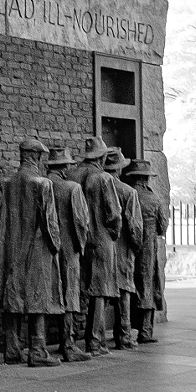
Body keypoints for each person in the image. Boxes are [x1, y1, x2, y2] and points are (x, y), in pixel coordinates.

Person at [0, 139, 62, 367]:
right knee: (37, 298)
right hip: (36, 249)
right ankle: (38, 351)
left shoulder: (6, 183)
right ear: (35, 156)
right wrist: (55, 247)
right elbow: (50, 222)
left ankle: (12, 350)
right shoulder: (42, 183)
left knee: (13, 297)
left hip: (10, 249)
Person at [68, 137, 125, 357]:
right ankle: (94, 342)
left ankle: (70, 340)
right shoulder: (103, 178)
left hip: (76, 241)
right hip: (101, 239)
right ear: (101, 157)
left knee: (73, 290)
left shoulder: (71, 175)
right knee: (99, 292)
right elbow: (114, 214)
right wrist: (113, 234)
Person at [44, 144, 92, 361]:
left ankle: (43, 343)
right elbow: (81, 222)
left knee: (50, 294)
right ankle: (68, 345)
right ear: (65, 168)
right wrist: (81, 247)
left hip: (46, 248)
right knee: (70, 294)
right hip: (69, 248)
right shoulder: (72, 188)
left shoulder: (42, 185)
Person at [121, 157, 167, 344]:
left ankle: (123, 331)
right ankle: (145, 331)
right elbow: (162, 228)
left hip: (127, 246)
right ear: (147, 178)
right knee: (147, 285)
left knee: (127, 286)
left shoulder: (127, 195)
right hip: (148, 248)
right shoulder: (154, 199)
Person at [104, 147, 142, 350]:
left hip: (102, 250)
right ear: (119, 170)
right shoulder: (129, 192)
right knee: (124, 291)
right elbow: (135, 226)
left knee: (100, 294)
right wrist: (137, 247)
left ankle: (98, 336)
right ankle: (124, 335)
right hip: (123, 248)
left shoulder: (94, 186)